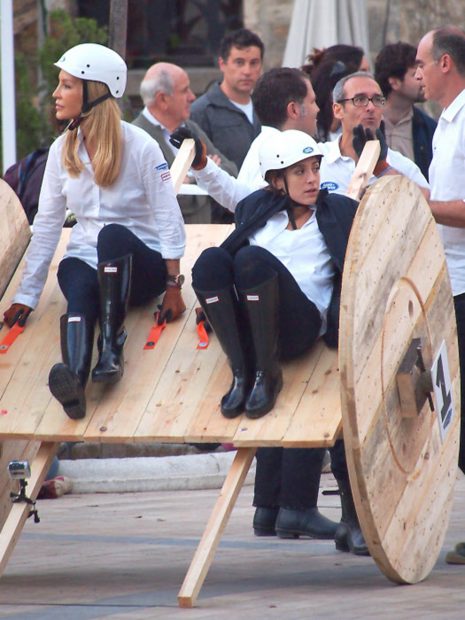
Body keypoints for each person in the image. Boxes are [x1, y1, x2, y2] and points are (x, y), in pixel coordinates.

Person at [191, 130, 367, 555]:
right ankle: (244, 375)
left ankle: (265, 376)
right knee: (212, 261)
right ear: (276, 181)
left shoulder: (340, 210)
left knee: (251, 261)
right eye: (299, 172)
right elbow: (227, 246)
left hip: (303, 325)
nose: (312, 179)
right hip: (254, 335)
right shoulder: (257, 210)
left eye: (315, 168)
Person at [2, 43, 186, 420]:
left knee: (111, 237)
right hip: (91, 263)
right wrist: (27, 294)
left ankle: (112, 351)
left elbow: (169, 216)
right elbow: (49, 225)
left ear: (94, 92)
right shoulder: (60, 150)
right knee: (74, 275)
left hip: (138, 268)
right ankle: (74, 381)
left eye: (67, 85)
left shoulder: (140, 146)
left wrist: (173, 285)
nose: (56, 94)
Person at [415, 25, 465, 564]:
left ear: (446, 63)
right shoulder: (447, 122)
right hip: (446, 280)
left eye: (423, 64)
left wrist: (419, 202)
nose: (417, 74)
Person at [132, 62, 237, 224]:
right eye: (184, 90)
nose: (192, 97)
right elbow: (173, 200)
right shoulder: (138, 137)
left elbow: (231, 171)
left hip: (204, 238)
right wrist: (207, 172)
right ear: (162, 100)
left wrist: (191, 177)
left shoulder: (189, 127)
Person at [319, 71, 430, 197]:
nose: (371, 107)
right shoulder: (318, 159)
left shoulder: (403, 167)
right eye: (360, 99)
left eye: (377, 100)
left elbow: (428, 211)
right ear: (338, 110)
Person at [190, 28, 263, 170]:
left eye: (254, 63)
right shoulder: (201, 111)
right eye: (239, 62)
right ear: (222, 64)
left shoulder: (266, 107)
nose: (247, 71)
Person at [374, 41, 437, 180]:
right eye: (415, 73)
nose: (422, 78)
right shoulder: (370, 123)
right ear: (394, 82)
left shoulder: (429, 128)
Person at [302, 44, 370, 142]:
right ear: (341, 77)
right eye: (363, 72)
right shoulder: (309, 126)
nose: (369, 78)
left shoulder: (363, 121)